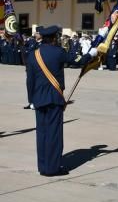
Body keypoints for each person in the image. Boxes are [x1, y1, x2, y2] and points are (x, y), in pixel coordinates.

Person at [26, 25, 98, 176]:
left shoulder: (33, 54)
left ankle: (43, 166)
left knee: (42, 134)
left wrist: (31, 100)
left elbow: (30, 81)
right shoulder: (58, 52)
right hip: (53, 99)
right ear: (54, 38)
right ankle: (52, 169)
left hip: (38, 100)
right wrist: (92, 53)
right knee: (53, 134)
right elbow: (79, 61)